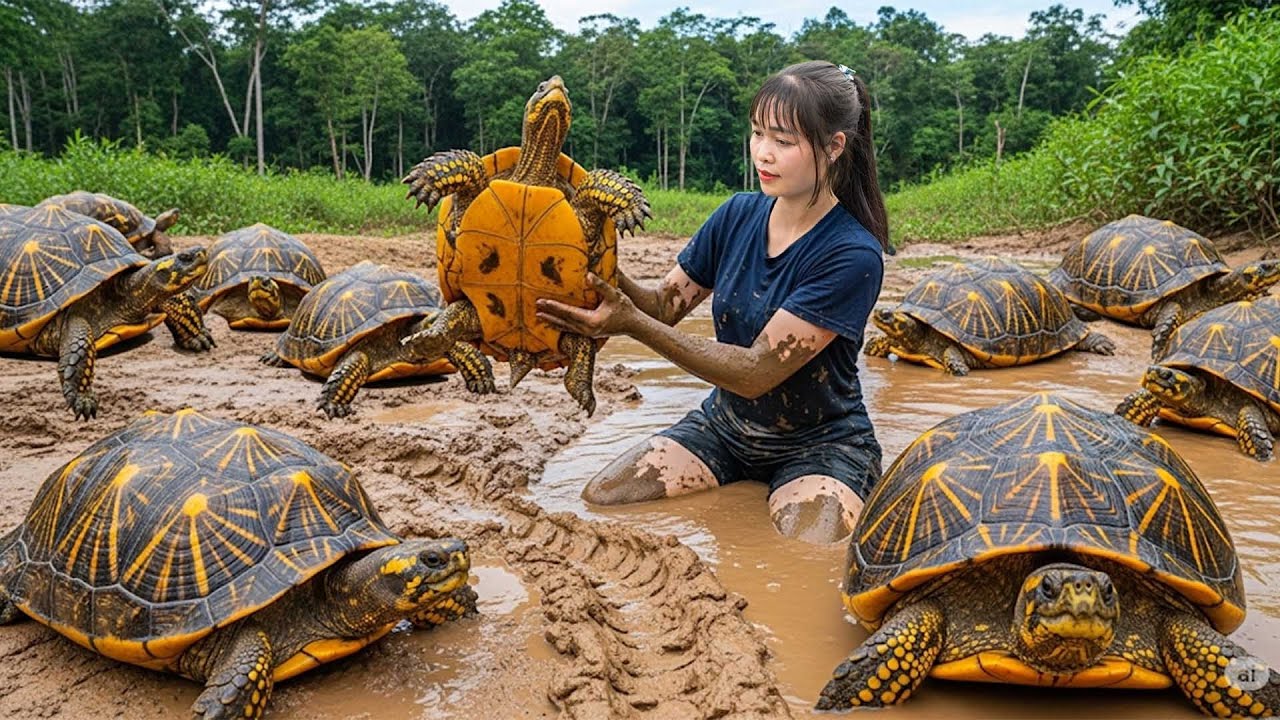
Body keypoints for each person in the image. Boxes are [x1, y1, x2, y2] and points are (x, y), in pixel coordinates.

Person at [536, 61, 888, 544]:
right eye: (758, 133)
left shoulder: (852, 253)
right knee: (604, 497)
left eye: (783, 142)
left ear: (834, 147)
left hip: (821, 444)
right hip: (725, 428)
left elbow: (755, 371)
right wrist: (584, 251)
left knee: (804, 553)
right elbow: (662, 306)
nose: (763, 153)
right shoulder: (737, 215)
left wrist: (631, 324)